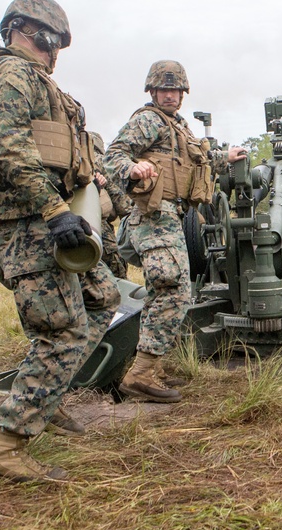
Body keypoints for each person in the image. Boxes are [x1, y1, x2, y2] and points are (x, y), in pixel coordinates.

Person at [0, 0, 120, 482]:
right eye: (49, 38)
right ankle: (8, 446)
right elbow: (9, 147)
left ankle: (46, 394)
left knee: (103, 297)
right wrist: (55, 210)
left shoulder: (37, 81)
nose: (54, 49)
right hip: (28, 221)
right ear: (24, 30)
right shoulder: (11, 73)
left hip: (50, 216)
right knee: (62, 330)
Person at [104, 60, 247, 403]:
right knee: (175, 290)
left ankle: (149, 367)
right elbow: (113, 156)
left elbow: (194, 164)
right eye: (164, 89)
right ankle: (140, 375)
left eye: (175, 90)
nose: (170, 95)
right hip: (153, 214)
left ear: (182, 94)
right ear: (153, 91)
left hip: (172, 216)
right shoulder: (148, 120)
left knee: (161, 291)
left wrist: (225, 157)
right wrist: (133, 167)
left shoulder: (178, 127)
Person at [90, 131, 133, 280]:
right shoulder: (100, 161)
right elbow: (119, 199)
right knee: (116, 271)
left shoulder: (75, 159)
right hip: (99, 225)